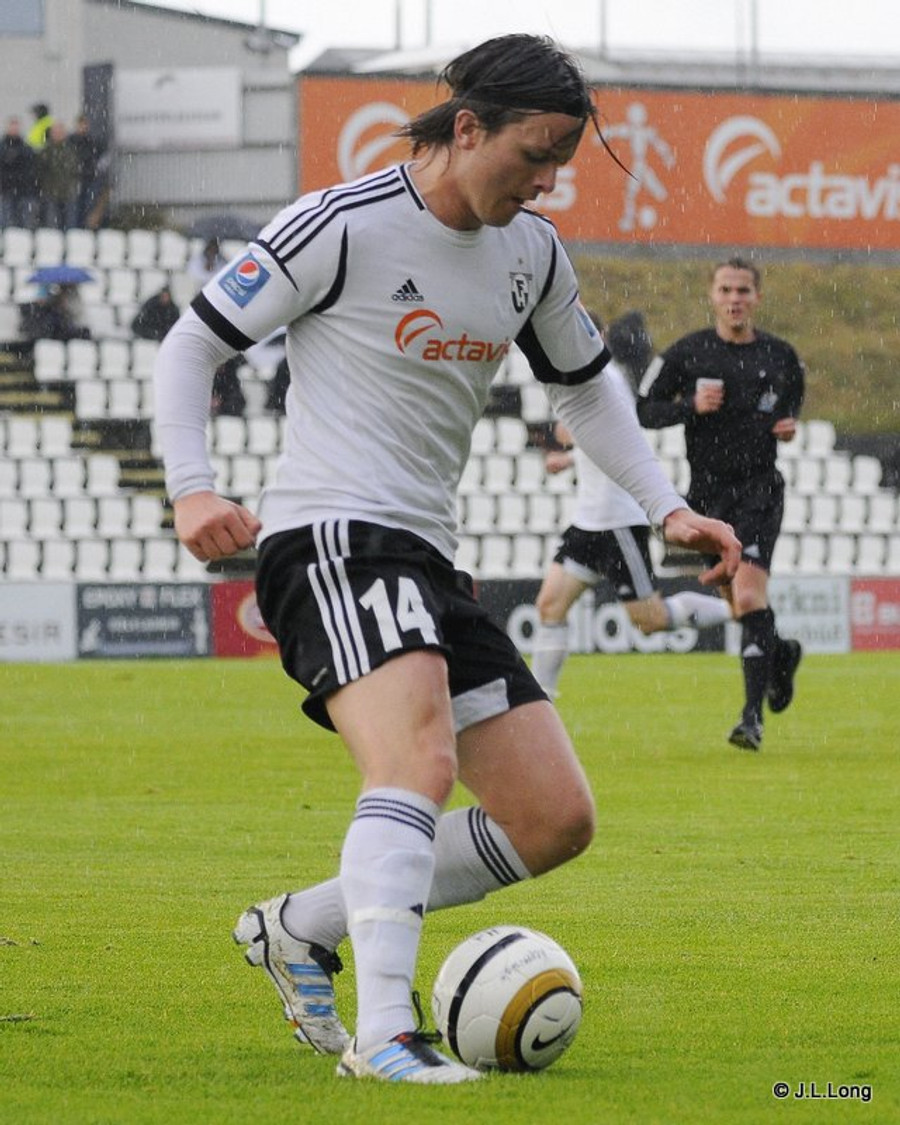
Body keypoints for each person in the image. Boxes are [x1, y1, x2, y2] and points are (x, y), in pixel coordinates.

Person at [154, 35, 740, 1085]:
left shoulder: (533, 254)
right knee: (415, 766)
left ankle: (301, 926)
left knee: (552, 819)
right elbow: (193, 342)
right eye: (536, 153)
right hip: (331, 537)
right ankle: (385, 1034)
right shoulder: (342, 224)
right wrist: (192, 486)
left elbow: (585, 387)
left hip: (427, 554)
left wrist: (667, 507)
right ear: (468, 128)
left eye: (561, 160)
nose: (548, 180)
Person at [637, 257, 805, 752]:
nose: (735, 299)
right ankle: (780, 654)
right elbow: (644, 410)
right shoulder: (687, 353)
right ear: (712, 295)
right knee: (740, 608)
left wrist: (788, 428)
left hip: (759, 491)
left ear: (757, 297)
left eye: (743, 290)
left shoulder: (781, 356)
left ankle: (751, 719)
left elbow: (789, 410)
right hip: (708, 498)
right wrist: (688, 406)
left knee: (748, 598)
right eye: (726, 290)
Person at [531, 319, 732, 698]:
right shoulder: (599, 375)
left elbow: (607, 435)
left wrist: (567, 441)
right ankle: (541, 704)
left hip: (618, 522)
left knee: (650, 620)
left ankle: (738, 612)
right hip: (588, 522)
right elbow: (598, 437)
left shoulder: (606, 378)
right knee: (549, 607)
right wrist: (572, 458)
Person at [0, 116, 39, 229]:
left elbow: (30, 168)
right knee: (6, 220)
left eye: (16, 126)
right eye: (12, 126)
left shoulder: (26, 148)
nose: (14, 129)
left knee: (23, 221)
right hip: (5, 189)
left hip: (22, 189)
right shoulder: (2, 148)